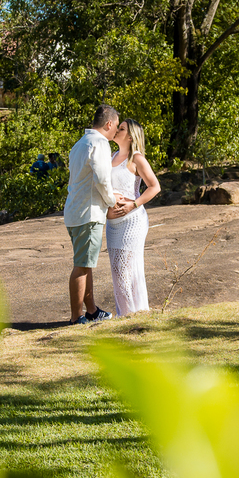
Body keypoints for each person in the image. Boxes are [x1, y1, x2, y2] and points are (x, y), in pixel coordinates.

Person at [64, 104, 122, 324]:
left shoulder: (80, 143)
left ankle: (91, 311)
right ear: (109, 124)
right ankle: (76, 317)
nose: (116, 130)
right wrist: (112, 201)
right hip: (88, 213)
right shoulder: (100, 143)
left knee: (85, 263)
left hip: (75, 211)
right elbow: (102, 179)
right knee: (81, 265)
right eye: (116, 126)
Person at [105, 118, 161, 316]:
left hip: (132, 221)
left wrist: (133, 204)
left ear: (130, 137)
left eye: (121, 129)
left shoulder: (136, 158)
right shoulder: (111, 156)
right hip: (112, 224)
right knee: (116, 269)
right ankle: (125, 313)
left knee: (125, 268)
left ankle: (135, 313)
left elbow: (155, 186)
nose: (116, 130)